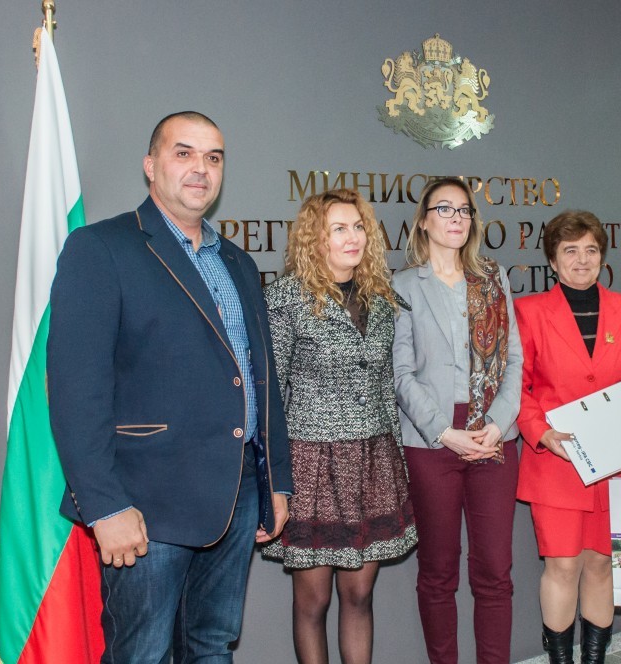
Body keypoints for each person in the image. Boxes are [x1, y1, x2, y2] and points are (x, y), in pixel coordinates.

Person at [47, 111, 292, 662]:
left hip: (237, 492)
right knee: (143, 654)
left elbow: (261, 376)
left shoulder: (237, 262)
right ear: (150, 165)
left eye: (213, 157)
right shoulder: (101, 248)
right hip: (145, 503)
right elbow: (74, 391)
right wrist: (104, 507)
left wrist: (275, 479)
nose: (201, 168)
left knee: (213, 646)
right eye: (184, 153)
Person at [263, 189, 417, 664]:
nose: (353, 237)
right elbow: (272, 393)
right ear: (315, 238)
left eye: (358, 227)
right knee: (314, 602)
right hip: (311, 464)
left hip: (373, 461)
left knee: (359, 596)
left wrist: (396, 464)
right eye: (338, 229)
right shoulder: (286, 298)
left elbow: (385, 385)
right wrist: (269, 479)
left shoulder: (382, 299)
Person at [515, 210, 621, 664]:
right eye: (570, 251)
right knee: (563, 565)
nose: (582, 260)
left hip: (619, 462)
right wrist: (542, 433)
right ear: (553, 261)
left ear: (602, 256)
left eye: (591, 250)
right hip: (557, 461)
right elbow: (517, 388)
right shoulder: (529, 312)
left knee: (601, 563)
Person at [392, 177, 523, 664]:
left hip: (493, 437)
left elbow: (514, 359)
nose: (457, 218)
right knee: (438, 573)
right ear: (424, 221)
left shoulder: (493, 277)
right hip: (432, 442)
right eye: (444, 209)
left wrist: (499, 423)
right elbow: (400, 373)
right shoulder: (403, 285)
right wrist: (445, 433)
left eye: (464, 210)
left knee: (494, 572)